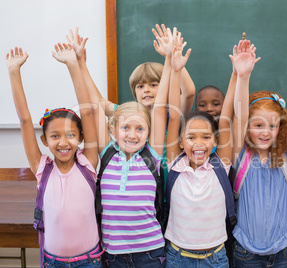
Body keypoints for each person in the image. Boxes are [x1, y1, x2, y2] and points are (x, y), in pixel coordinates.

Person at [67, 28, 173, 267]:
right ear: (113, 130)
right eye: (126, 128)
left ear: (149, 132)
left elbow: (160, 107)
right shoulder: (107, 153)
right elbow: (93, 106)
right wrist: (80, 63)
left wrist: (168, 60)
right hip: (112, 253)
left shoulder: (152, 154)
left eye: (140, 129)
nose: (133, 135)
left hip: (151, 252)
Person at [6, 45, 101, 268]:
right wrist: (13, 71)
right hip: (53, 262)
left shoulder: (88, 164)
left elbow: (87, 111)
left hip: (90, 261)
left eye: (71, 135)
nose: (63, 142)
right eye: (55, 136)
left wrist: (73, 65)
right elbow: (25, 120)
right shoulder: (42, 168)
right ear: (45, 141)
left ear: (81, 137)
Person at [231, 40, 287, 267]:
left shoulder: (286, 157)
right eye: (258, 125)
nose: (266, 132)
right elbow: (239, 116)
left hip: (282, 251)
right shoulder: (240, 155)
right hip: (246, 252)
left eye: (273, 126)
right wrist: (243, 76)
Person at [164, 32, 234, 268]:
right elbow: (174, 115)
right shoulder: (175, 163)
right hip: (177, 257)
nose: (199, 143)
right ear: (181, 142)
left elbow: (225, 119)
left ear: (215, 142)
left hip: (215, 258)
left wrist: (237, 74)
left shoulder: (220, 164)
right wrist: (174, 70)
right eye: (191, 137)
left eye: (206, 137)